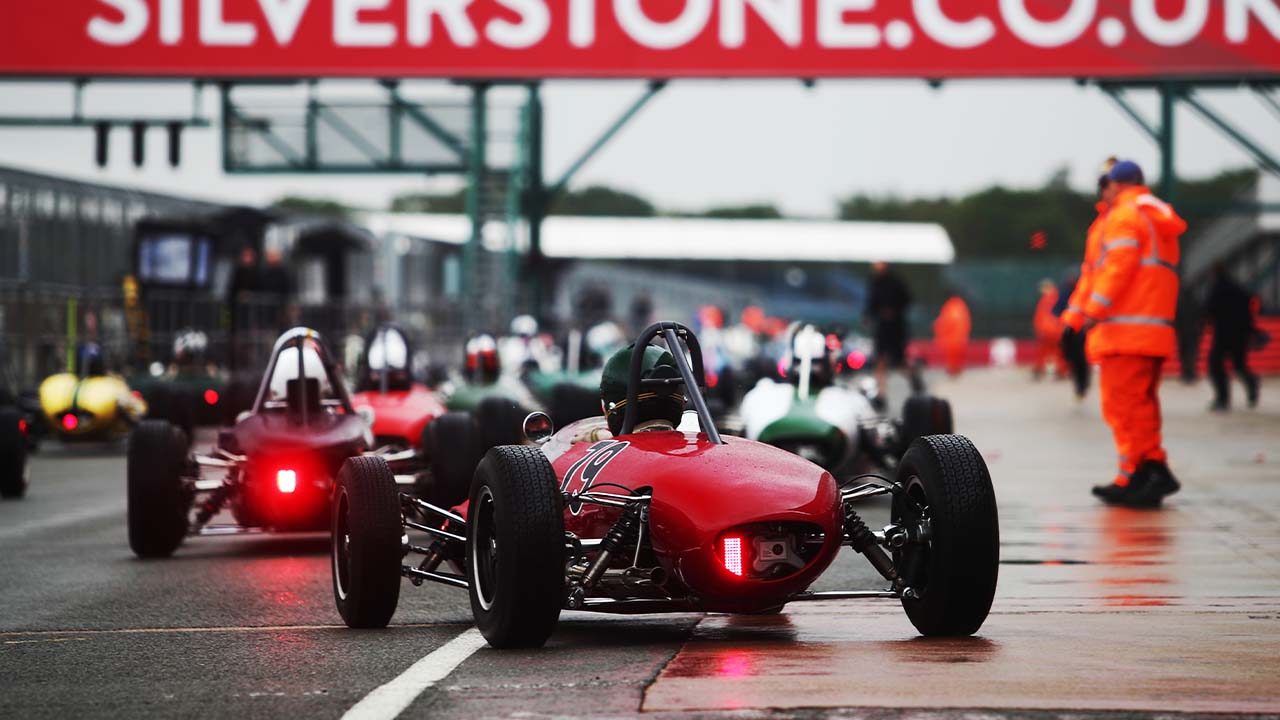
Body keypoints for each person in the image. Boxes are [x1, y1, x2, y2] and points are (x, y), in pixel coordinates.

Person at [1061, 160, 1185, 508]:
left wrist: (1088, 315)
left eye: (1105, 182)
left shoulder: (1124, 217)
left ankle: (1152, 469)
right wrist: (1074, 315)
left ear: (1117, 184)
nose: (1102, 189)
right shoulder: (1151, 216)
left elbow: (1115, 270)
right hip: (1149, 330)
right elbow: (1098, 272)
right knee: (1138, 405)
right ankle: (1134, 474)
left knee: (1124, 406)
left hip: (1124, 331)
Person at [1205, 263, 1260, 411]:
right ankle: (1252, 383)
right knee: (1239, 366)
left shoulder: (1216, 289)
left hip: (1223, 333)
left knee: (1215, 365)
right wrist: (1250, 330)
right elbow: (1250, 306)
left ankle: (1223, 399)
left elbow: (1209, 310)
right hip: (1240, 333)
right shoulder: (1238, 288)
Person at [864, 261, 913, 394]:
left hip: (896, 327)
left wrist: (893, 311)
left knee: (899, 362)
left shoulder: (896, 282)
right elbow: (871, 304)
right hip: (882, 327)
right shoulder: (874, 283)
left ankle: (914, 381)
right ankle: (880, 392)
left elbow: (906, 301)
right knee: (879, 360)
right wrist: (869, 316)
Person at [1032, 279, 1065, 380]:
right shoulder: (1056, 298)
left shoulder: (1047, 300)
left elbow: (1042, 317)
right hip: (1055, 330)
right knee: (1058, 352)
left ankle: (1040, 370)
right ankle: (1060, 370)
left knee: (1045, 351)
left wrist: (1039, 328)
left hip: (1048, 330)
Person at [933, 294, 971, 376]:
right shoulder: (957, 307)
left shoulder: (953, 308)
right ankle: (954, 369)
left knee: (954, 355)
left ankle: (955, 369)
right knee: (954, 355)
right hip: (956, 338)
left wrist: (939, 326)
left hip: (954, 339)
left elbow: (947, 322)